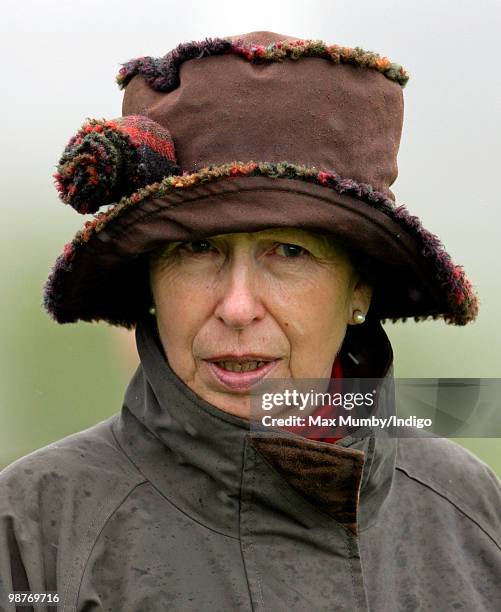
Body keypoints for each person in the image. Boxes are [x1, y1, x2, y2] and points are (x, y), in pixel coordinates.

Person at [0, 30, 500, 612]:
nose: (237, 307)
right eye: (196, 251)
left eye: (288, 252)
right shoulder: (36, 532)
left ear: (357, 288)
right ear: (151, 283)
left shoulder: (473, 516)